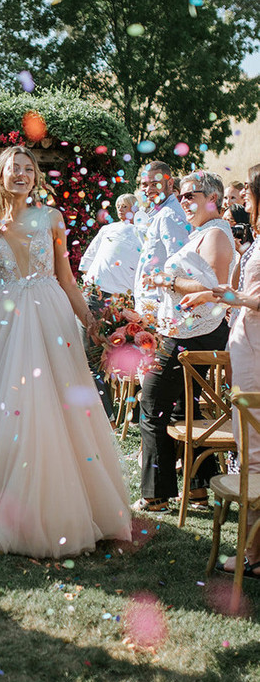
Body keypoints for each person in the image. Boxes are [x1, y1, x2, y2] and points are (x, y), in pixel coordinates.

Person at [0, 146, 131, 558]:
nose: (22, 175)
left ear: (36, 177)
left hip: (52, 321)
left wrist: (91, 322)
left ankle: (72, 506)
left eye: (28, 169)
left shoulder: (53, 218)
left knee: (59, 407)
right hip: (6, 326)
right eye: (14, 169)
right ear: (0, 176)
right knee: (8, 406)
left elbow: (66, 278)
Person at [134, 171, 236, 513]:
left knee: (151, 404)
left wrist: (169, 279)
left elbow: (217, 289)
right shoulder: (202, 233)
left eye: (191, 196)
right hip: (183, 332)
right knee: (182, 409)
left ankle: (156, 494)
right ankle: (197, 492)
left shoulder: (218, 234)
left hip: (192, 337)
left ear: (213, 198)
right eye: (182, 196)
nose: (184, 202)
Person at [208, 163, 260, 579]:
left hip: (257, 353)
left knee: (255, 453)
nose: (242, 206)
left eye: (246, 199)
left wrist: (221, 293)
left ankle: (253, 556)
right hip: (247, 348)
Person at [78, 192, 142, 420]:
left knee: (131, 352)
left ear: (137, 208)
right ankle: (106, 414)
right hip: (95, 295)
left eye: (127, 205)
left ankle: (135, 412)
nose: (122, 209)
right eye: (119, 206)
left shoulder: (144, 232)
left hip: (124, 300)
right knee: (90, 352)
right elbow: (87, 262)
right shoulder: (107, 230)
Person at [134, 161, 190, 315]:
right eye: (144, 185)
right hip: (148, 300)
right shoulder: (158, 211)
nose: (148, 189)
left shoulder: (169, 215)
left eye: (155, 184)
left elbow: (177, 263)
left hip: (157, 304)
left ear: (170, 183)